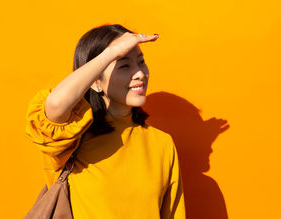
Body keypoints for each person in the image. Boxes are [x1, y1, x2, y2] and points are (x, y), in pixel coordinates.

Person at [25, 24, 186, 218]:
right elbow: (56, 104)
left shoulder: (161, 143)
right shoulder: (71, 137)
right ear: (95, 81)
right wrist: (112, 52)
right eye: (124, 65)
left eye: (141, 62)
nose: (140, 74)